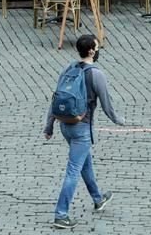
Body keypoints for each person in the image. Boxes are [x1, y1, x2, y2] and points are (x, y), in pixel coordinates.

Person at [44, 35, 126, 229]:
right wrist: (118, 120)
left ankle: (98, 198)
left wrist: (49, 126)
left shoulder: (68, 68)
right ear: (91, 51)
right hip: (82, 129)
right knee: (73, 170)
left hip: (66, 126)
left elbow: (56, 99)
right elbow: (107, 104)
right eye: (97, 47)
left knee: (84, 163)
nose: (98, 50)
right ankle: (61, 214)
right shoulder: (96, 74)